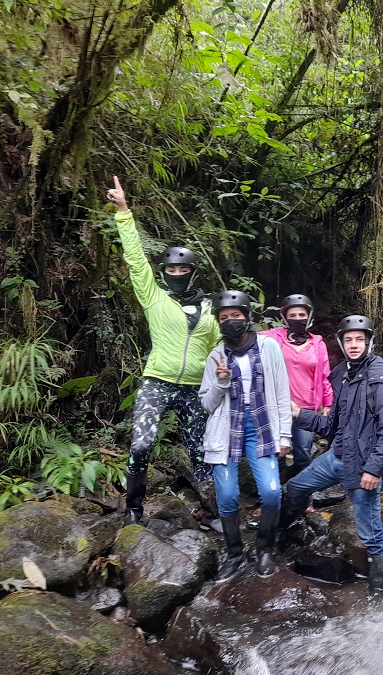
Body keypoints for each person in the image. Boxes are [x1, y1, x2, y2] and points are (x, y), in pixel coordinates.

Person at [106, 177, 218, 525]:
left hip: (194, 388)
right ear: (165, 272)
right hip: (157, 380)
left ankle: (212, 509)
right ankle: (134, 508)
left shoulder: (212, 310)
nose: (178, 273)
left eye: (184, 269)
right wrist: (124, 212)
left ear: (193, 272)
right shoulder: (154, 297)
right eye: (172, 269)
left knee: (201, 453)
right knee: (141, 445)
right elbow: (136, 261)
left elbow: (218, 351)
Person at [283, 315, 383, 592]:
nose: (354, 344)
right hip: (336, 457)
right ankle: (286, 535)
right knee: (296, 488)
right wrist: (300, 414)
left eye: (360, 339)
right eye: (349, 340)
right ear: (341, 343)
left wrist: (374, 469)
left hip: (362, 467)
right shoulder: (342, 376)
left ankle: (380, 594)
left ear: (369, 342)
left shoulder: (382, 378)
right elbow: (330, 426)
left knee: (371, 535)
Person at [199, 290, 292, 580]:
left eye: (235, 316)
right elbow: (206, 403)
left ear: (247, 317)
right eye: (224, 318)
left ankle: (264, 549)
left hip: (261, 427)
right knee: (227, 496)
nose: (230, 322)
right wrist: (221, 382)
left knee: (272, 493)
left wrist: (285, 436)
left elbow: (281, 393)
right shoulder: (216, 355)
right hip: (226, 431)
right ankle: (235, 553)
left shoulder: (268, 348)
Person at [261, 294, 333, 476]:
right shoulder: (273, 338)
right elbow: (247, 339)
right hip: (278, 406)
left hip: (306, 408)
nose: (297, 319)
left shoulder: (317, 343)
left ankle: (306, 498)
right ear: (285, 317)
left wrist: (328, 404)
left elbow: (325, 376)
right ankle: (275, 495)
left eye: (302, 315)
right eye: (292, 315)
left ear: (309, 317)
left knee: (303, 453)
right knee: (277, 451)